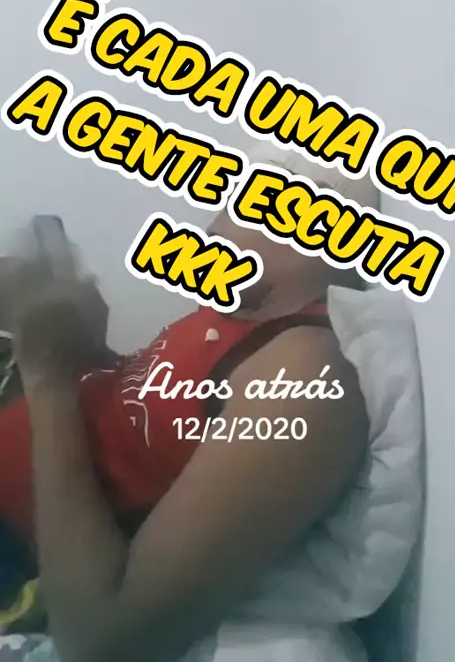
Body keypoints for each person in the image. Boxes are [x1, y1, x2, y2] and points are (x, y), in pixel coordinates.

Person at [0, 145, 379, 662]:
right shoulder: (227, 320)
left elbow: (103, 641)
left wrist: (49, 382)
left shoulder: (301, 368)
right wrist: (88, 351)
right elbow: (143, 425)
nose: (217, 217)